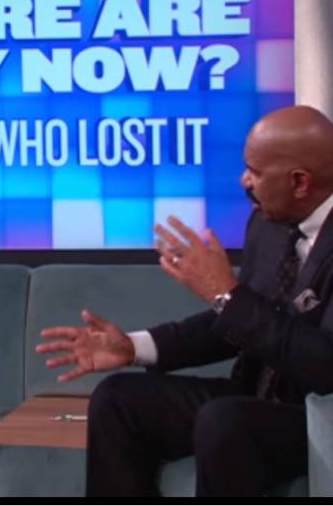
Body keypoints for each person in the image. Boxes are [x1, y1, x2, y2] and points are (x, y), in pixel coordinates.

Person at [37, 105, 333, 497]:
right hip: (254, 397)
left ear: (300, 182)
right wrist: (135, 348)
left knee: (225, 419)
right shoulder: (269, 223)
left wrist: (226, 295)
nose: (244, 180)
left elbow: (324, 364)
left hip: (316, 414)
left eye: (256, 172)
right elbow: (241, 320)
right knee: (118, 399)